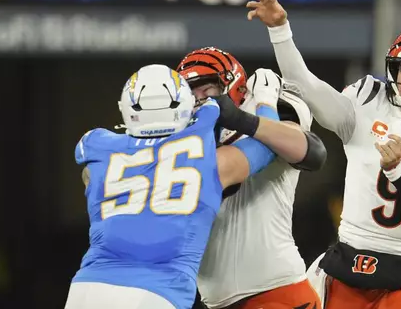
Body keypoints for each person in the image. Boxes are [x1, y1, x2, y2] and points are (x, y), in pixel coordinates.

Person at [246, 0, 401, 309]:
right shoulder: (366, 100)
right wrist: (280, 30)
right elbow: (306, 85)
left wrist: (398, 170)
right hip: (348, 257)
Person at [64, 64, 314, 309]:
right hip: (157, 292)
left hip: (86, 286)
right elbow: (267, 145)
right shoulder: (207, 161)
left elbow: (91, 178)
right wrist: (266, 102)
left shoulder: (99, 154)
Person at [176, 48, 326, 309]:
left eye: (206, 88)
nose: (198, 100)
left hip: (276, 291)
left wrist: (249, 115)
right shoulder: (183, 141)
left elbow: (312, 152)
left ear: (233, 86)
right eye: (190, 93)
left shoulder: (274, 113)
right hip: (216, 301)